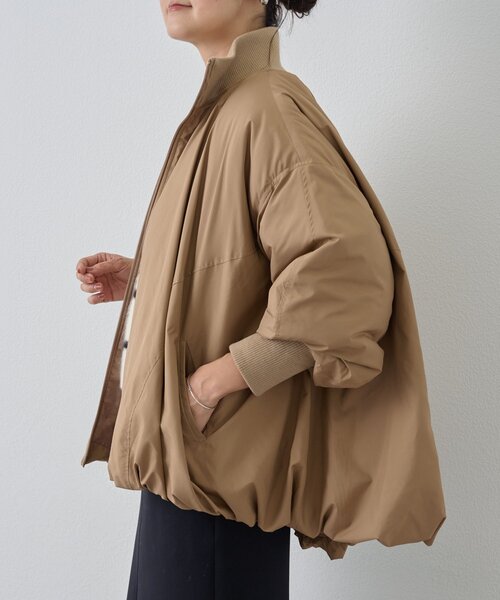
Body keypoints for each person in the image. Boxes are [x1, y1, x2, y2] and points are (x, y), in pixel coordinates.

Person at [77, 0, 446, 598]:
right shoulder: (226, 109)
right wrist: (150, 279)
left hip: (215, 497)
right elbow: (245, 266)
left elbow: (345, 277)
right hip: (187, 482)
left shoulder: (266, 107)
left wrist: (209, 388)